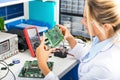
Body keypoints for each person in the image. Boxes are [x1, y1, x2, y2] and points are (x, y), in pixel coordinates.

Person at [36, 0, 120, 80]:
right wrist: (70, 38)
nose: (82, 21)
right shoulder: (105, 38)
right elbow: (89, 56)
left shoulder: (105, 67)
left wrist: (42, 65)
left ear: (106, 27)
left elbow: (96, 61)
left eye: (87, 19)